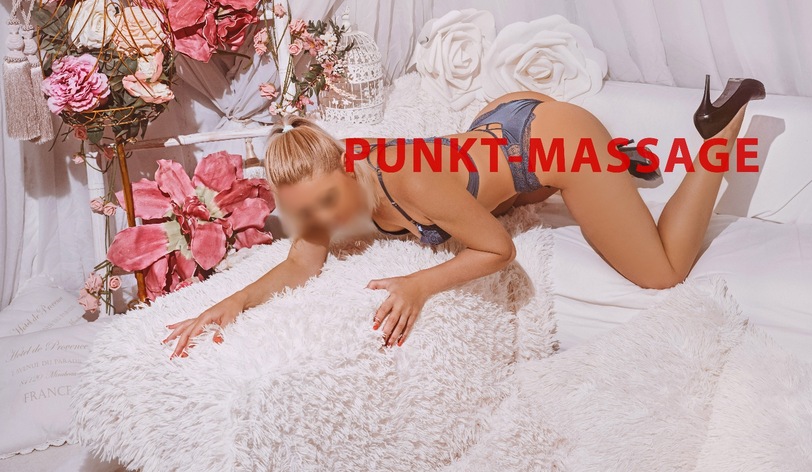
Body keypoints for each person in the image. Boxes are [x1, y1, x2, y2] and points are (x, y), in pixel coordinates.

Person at [164, 75, 765, 356]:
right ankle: (617, 160)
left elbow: (499, 248)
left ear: (348, 163)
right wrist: (231, 304)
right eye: (306, 211)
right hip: (496, 130)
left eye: (327, 202)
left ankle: (719, 131)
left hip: (545, 137)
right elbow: (301, 263)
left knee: (661, 272)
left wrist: (418, 284)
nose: (324, 218)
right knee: (510, 187)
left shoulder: (408, 177)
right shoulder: (320, 186)